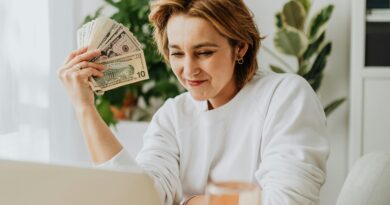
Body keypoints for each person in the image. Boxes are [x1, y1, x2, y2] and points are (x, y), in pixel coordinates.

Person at [58, 0, 329, 204]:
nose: (189, 70)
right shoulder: (173, 115)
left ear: (240, 47)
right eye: (177, 54)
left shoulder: (285, 96)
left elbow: (287, 202)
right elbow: (136, 197)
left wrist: (191, 201)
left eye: (204, 53)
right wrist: (85, 109)